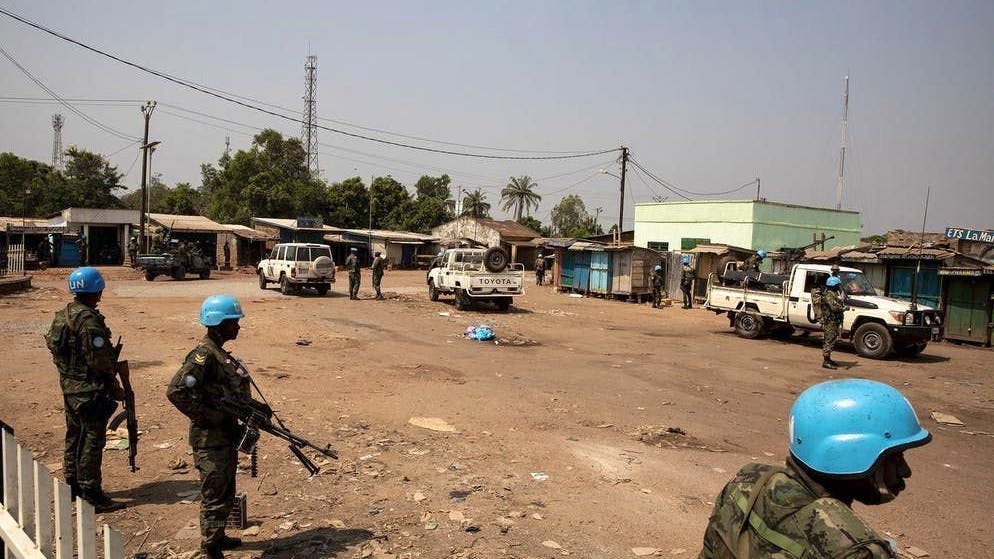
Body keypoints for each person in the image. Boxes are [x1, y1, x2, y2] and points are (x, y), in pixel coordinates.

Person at [699, 378, 931, 559]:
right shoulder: (855, 550)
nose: (905, 471)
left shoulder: (748, 480)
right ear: (848, 455)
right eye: (895, 457)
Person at [166, 295, 252, 559]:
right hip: (209, 439)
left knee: (226, 489)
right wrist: (209, 417)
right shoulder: (203, 356)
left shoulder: (219, 354)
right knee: (214, 493)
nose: (237, 327)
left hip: (224, 436)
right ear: (218, 325)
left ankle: (218, 537)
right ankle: (210, 548)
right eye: (233, 322)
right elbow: (176, 391)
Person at [44, 267, 125, 512]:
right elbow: (99, 361)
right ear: (96, 290)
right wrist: (114, 385)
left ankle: (72, 485)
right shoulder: (88, 321)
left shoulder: (63, 315)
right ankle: (90, 492)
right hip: (90, 391)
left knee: (74, 436)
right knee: (91, 440)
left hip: (70, 388)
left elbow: (55, 348)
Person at [819, 276, 846, 369]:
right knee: (829, 340)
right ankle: (826, 361)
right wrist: (843, 309)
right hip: (830, 321)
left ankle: (828, 359)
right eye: (838, 285)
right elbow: (834, 307)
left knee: (832, 339)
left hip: (834, 321)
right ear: (833, 285)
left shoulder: (834, 294)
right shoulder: (829, 295)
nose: (839, 286)